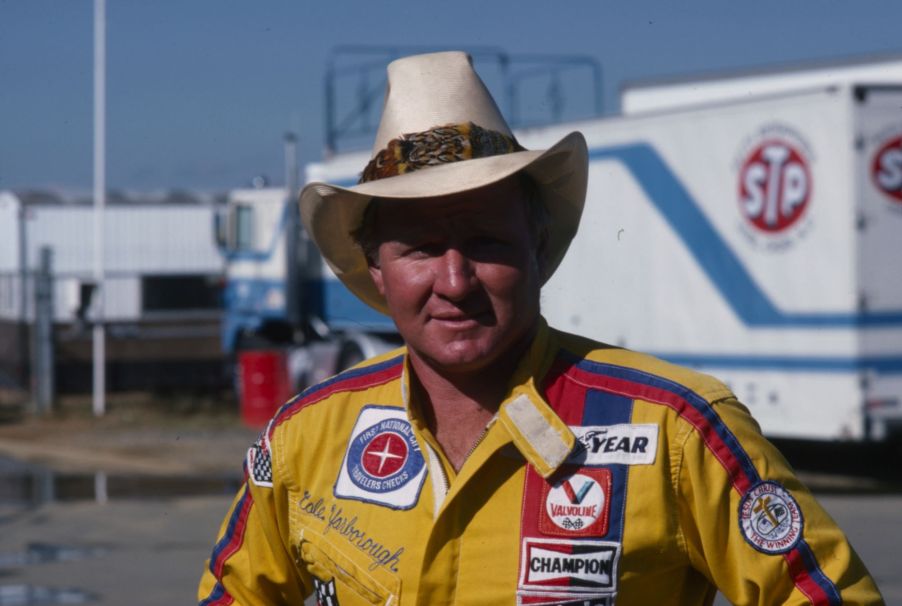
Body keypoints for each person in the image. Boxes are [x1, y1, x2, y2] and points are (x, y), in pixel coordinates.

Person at [198, 51, 882, 606]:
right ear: (377, 270)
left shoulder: (677, 430)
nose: (456, 279)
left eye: (487, 240)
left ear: (537, 247)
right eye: (419, 249)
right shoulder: (306, 436)